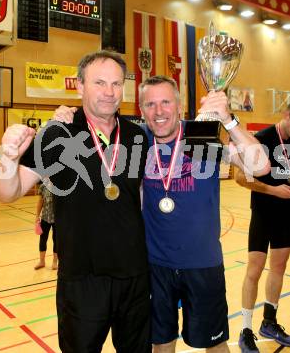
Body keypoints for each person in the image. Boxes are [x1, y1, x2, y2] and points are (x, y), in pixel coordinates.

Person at [54, 75, 270, 352]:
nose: (159, 111)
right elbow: (94, 128)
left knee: (215, 346)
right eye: (150, 104)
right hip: (154, 266)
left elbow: (261, 166)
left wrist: (228, 119)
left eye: (166, 102)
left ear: (179, 106)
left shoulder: (200, 136)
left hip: (203, 264)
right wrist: (67, 115)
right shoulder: (136, 141)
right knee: (161, 345)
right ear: (141, 110)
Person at [0, 50, 151, 353]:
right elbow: (8, 192)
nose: (109, 92)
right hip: (81, 280)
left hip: (134, 276)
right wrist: (8, 157)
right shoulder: (57, 134)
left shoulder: (137, 136)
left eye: (117, 84)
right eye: (100, 83)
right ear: (79, 86)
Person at [236, 105, 290, 352]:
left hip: (286, 216)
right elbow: (240, 177)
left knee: (279, 267)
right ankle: (246, 329)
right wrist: (273, 190)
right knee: (254, 270)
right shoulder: (262, 139)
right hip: (263, 214)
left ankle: (269, 321)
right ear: (286, 115)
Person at [34, 180, 58, 270]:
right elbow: (40, 201)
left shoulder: (60, 186)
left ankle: (55, 262)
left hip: (57, 219)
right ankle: (42, 261)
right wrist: (37, 216)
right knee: (43, 239)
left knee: (56, 240)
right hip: (45, 217)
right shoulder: (43, 186)